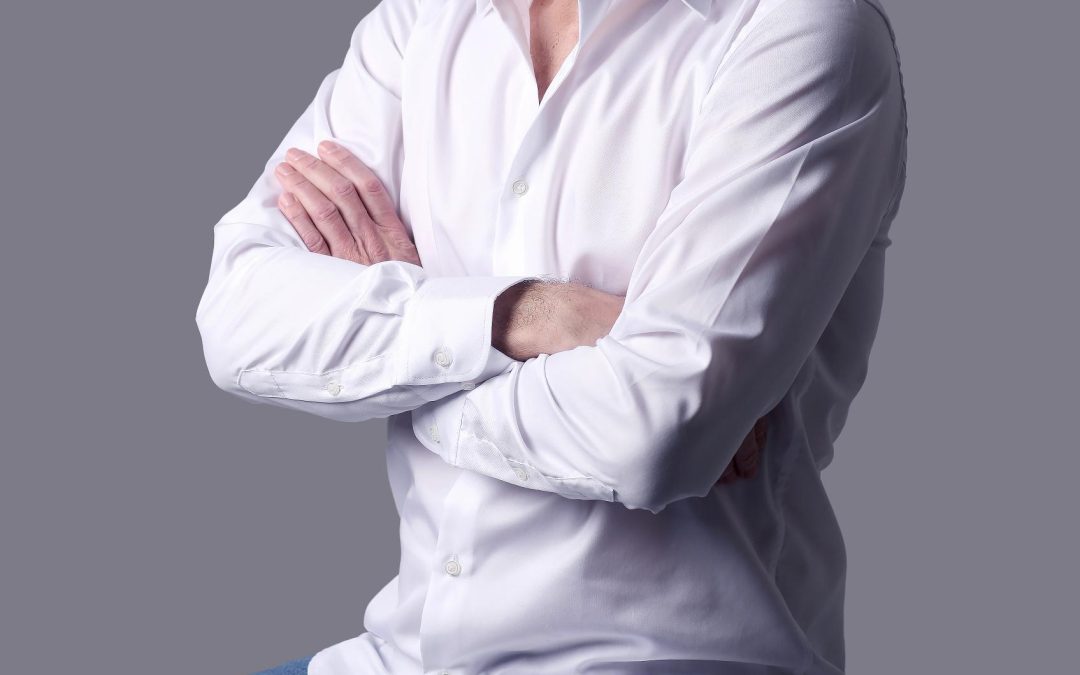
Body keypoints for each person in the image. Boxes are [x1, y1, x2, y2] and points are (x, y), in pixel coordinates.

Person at [195, 0, 908, 672]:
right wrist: (523, 315)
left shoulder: (801, 31)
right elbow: (236, 318)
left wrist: (408, 360)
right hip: (401, 657)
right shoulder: (419, 21)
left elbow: (651, 435)